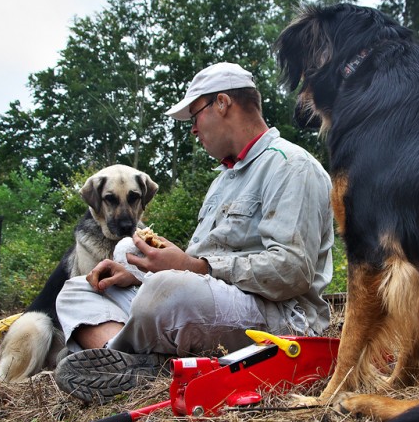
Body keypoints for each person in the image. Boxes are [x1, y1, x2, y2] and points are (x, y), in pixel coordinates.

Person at [53, 62, 334, 403]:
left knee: (169, 289)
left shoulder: (290, 165)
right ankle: (142, 364)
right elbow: (199, 263)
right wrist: (139, 273)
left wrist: (192, 268)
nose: (193, 131)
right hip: (214, 300)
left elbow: (292, 271)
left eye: (194, 116)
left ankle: (130, 356)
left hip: (278, 316)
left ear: (222, 104)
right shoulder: (223, 180)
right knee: (76, 290)